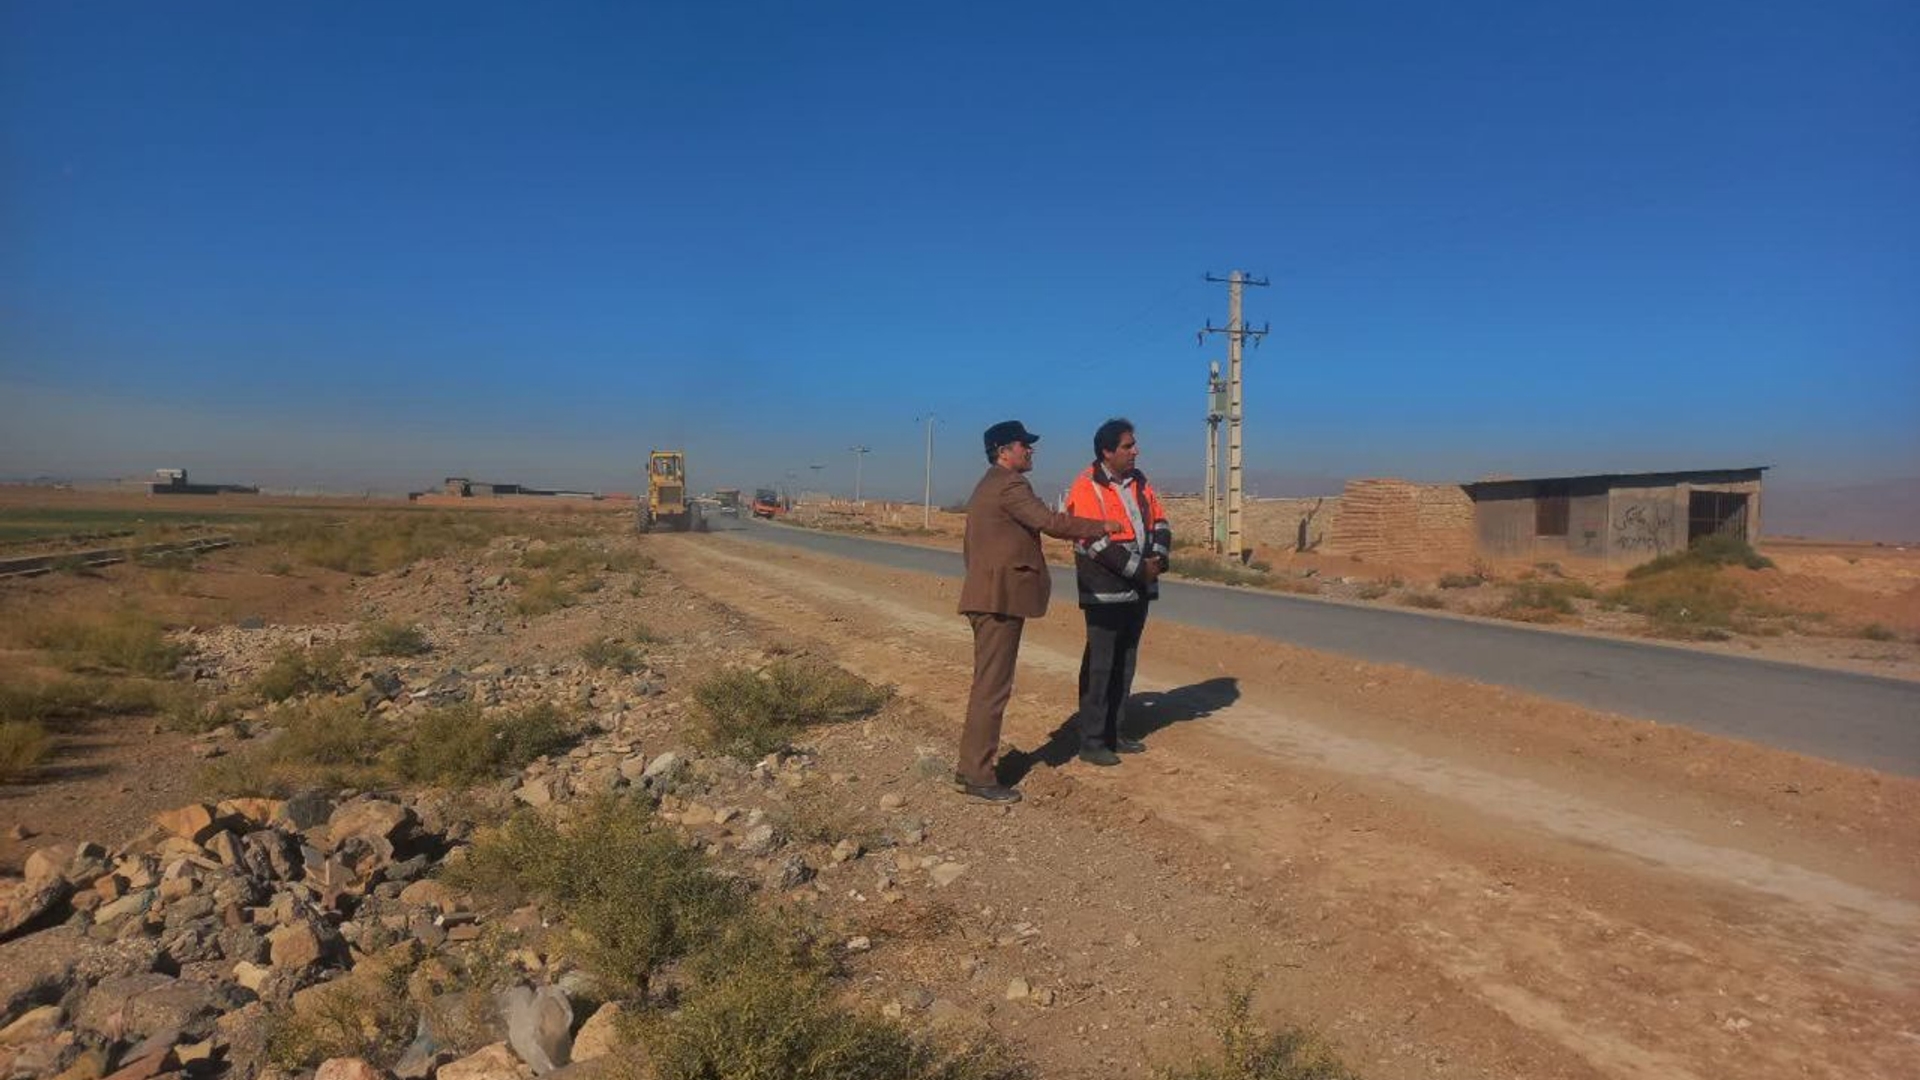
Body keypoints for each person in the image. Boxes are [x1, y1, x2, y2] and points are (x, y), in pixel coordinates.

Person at [956, 420, 1119, 803]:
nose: (1030, 450)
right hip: (997, 601)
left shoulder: (986, 486)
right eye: (1023, 445)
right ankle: (979, 775)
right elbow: (1049, 521)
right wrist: (1101, 526)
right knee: (992, 691)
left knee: (986, 687)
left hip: (987, 596)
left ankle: (970, 769)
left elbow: (971, 550)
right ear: (1003, 451)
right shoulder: (1009, 484)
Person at [1061, 418, 1171, 766]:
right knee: (1101, 665)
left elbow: (1160, 522)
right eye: (1127, 446)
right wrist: (1139, 570)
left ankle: (1115, 731)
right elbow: (1093, 540)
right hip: (1104, 591)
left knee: (1125, 662)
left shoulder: (1140, 482)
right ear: (1107, 452)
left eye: (1134, 444)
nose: (1135, 450)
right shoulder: (1086, 486)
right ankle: (1092, 740)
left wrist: (1160, 557)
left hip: (1138, 590)